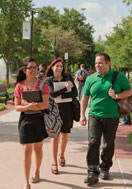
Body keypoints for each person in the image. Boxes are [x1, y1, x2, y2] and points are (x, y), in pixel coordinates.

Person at [80, 53, 132, 185]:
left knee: (108, 144)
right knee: (93, 142)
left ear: (108, 63)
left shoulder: (118, 76)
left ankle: (105, 167)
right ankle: (92, 171)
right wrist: (82, 115)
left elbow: (129, 91)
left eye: (100, 63)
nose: (97, 65)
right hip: (94, 115)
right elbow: (85, 97)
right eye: (96, 63)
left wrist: (117, 96)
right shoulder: (91, 78)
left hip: (112, 116)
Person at [14, 57, 50, 189]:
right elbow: (17, 107)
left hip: (38, 119)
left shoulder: (42, 84)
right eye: (31, 67)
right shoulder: (19, 85)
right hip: (25, 120)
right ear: (24, 70)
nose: (34, 70)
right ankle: (26, 182)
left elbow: (45, 104)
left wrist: (32, 105)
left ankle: (37, 171)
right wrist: (28, 106)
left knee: (38, 148)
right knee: (26, 150)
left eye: (35, 67)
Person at [45, 57, 78, 174]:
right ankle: (54, 163)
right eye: (57, 66)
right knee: (54, 136)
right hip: (54, 111)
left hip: (67, 110)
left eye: (61, 66)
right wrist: (65, 89)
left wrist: (62, 96)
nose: (59, 68)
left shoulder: (68, 77)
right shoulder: (49, 80)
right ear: (52, 67)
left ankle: (62, 155)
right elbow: (52, 94)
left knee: (64, 134)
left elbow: (75, 93)